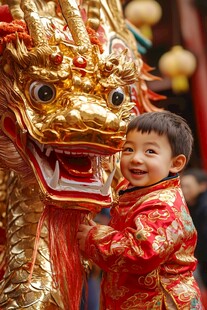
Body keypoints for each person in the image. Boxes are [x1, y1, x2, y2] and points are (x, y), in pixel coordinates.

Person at [77, 111, 203, 309]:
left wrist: (94, 238)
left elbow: (142, 253)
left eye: (150, 152)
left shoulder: (163, 205)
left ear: (175, 163)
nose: (135, 158)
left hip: (159, 301)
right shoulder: (135, 192)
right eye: (128, 149)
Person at [181, 168, 207, 307]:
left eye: (188, 186)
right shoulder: (193, 205)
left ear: (202, 186)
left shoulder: (204, 207)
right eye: (182, 186)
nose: (184, 190)